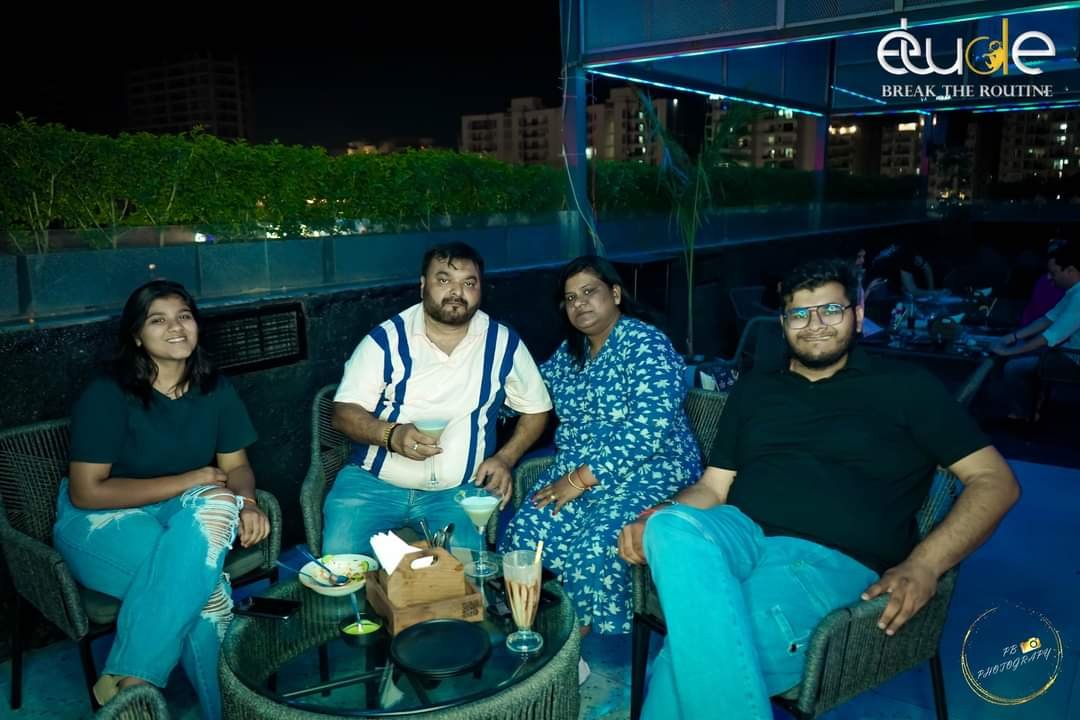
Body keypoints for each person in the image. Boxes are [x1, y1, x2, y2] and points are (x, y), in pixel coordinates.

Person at [619, 258, 1019, 719]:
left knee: (689, 655)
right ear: (783, 322)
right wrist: (654, 515)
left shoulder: (906, 387)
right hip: (738, 532)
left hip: (825, 561)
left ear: (858, 315)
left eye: (830, 310)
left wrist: (925, 564)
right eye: (799, 314)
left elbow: (995, 482)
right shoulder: (756, 389)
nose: (814, 325)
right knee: (668, 525)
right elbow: (713, 487)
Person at [53, 280, 269, 719]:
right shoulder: (108, 394)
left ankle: (128, 682)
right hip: (100, 519)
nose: (176, 327)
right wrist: (190, 478)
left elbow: (236, 466)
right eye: (158, 320)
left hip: (179, 510)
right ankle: (219, 708)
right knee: (206, 593)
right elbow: (87, 490)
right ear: (136, 335)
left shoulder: (213, 388)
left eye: (184, 316)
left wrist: (246, 501)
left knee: (220, 500)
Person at [500, 256, 701, 636]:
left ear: (616, 294)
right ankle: (536, 627)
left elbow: (648, 429)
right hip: (580, 468)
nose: (580, 303)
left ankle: (573, 645)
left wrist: (577, 481)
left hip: (652, 467)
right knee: (527, 531)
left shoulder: (646, 343)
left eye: (589, 292)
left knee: (593, 547)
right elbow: (529, 393)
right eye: (570, 298)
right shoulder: (571, 352)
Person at [323, 242, 552, 556]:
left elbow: (536, 409)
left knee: (464, 577)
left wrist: (505, 458)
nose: (457, 292)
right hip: (372, 485)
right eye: (444, 280)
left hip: (457, 493)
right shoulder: (386, 340)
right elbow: (343, 413)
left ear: (480, 289)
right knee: (341, 567)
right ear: (422, 285)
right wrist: (391, 435)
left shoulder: (502, 343)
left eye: (468, 283)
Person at [993, 240, 1080, 421]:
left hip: (1074, 359)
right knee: (1023, 352)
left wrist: (1009, 351)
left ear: (1071, 271)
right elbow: (1048, 319)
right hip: (1068, 352)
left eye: (1053, 273)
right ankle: (1032, 408)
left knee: (1013, 367)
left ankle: (1022, 416)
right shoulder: (1074, 291)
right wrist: (1012, 337)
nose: (1049, 278)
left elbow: (1050, 336)